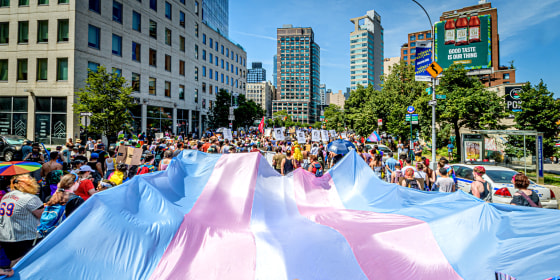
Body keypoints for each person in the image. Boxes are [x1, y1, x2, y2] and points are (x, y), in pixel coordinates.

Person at [0, 175, 44, 268]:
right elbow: (43, 217)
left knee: (14, 262)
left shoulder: (6, 196)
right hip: (25, 236)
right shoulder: (30, 198)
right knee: (27, 264)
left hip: (6, 236)